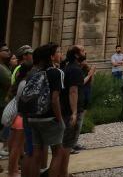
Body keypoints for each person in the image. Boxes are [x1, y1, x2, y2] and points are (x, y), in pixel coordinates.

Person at [22, 43, 65, 177]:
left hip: (33, 117)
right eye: (58, 52)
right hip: (50, 118)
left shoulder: (36, 73)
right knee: (58, 153)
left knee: (36, 153)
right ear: (52, 57)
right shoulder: (55, 73)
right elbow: (54, 99)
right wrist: (60, 119)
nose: (60, 54)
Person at [59, 45, 87, 176]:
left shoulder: (67, 67)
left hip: (65, 110)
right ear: (76, 55)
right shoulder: (75, 70)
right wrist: (74, 112)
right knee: (67, 145)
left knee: (65, 144)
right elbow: (73, 91)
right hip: (71, 112)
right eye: (82, 50)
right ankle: (63, 173)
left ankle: (62, 172)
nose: (85, 52)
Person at [5, 62, 31, 177]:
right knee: (17, 146)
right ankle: (13, 171)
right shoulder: (25, 83)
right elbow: (22, 100)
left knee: (14, 145)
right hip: (21, 116)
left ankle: (13, 169)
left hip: (17, 116)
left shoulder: (20, 82)